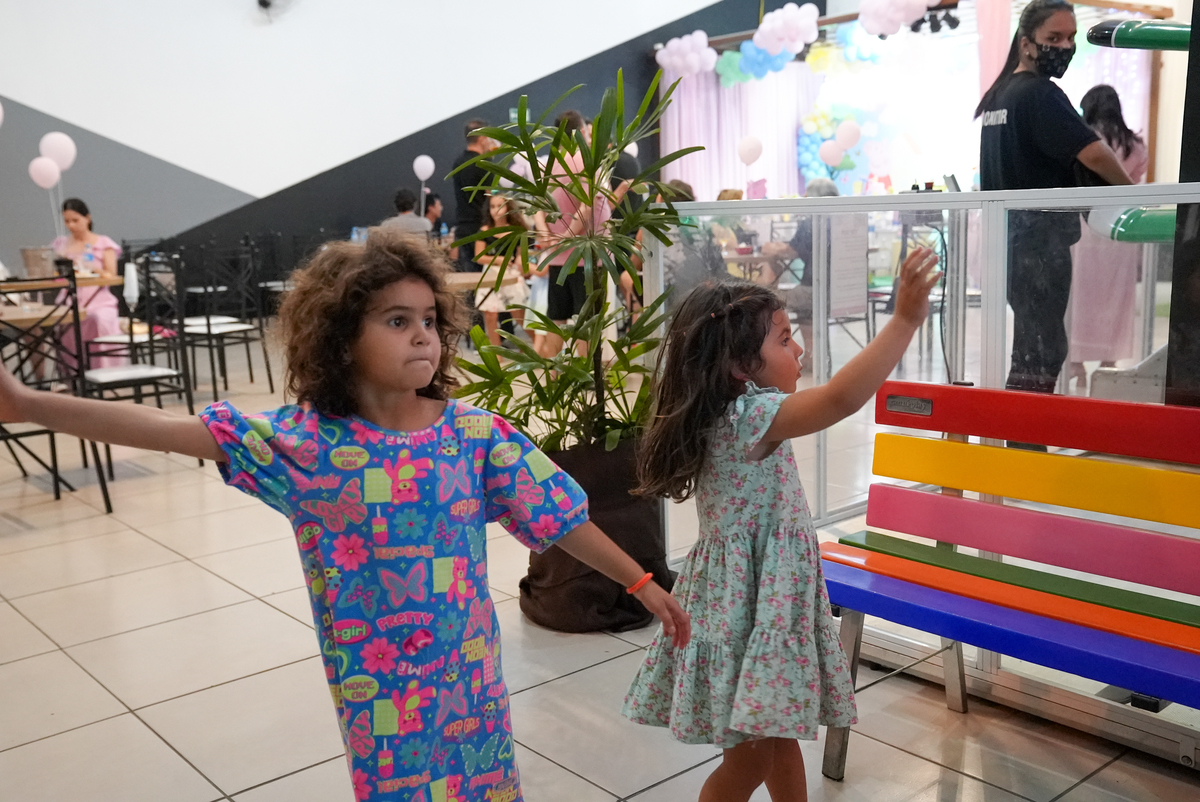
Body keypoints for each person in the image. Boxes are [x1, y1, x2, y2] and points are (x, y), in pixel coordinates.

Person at [0, 229, 689, 802]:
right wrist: (27, 404)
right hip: (378, 693)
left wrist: (639, 582)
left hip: (470, 678)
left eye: (430, 321)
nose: (422, 337)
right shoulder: (308, 446)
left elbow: (560, 518)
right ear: (339, 338)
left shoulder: (474, 435)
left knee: (486, 787)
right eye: (397, 320)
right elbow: (163, 429)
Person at [622, 246, 942, 802]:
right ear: (740, 368)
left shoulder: (730, 414)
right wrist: (904, 321)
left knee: (777, 737)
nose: (800, 349)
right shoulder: (748, 418)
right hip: (750, 606)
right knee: (749, 762)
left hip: (750, 600)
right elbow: (840, 399)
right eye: (785, 339)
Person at [975, 0, 1132, 394]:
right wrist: (1131, 193)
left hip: (1009, 244)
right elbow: (1094, 153)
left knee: (1032, 347)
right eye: (1054, 37)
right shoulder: (1040, 94)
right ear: (1026, 43)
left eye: (1071, 37)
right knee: (1043, 350)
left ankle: (1019, 425)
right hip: (1038, 244)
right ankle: (1021, 427)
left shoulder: (999, 96)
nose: (1065, 46)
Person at [1066, 85, 1150, 390]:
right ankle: (1108, 364)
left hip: (1087, 228)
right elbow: (1134, 185)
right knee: (1115, 299)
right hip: (1121, 230)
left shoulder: (1085, 140)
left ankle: (1076, 365)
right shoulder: (1136, 146)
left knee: (1079, 297)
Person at [757, 178, 840, 373]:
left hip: (814, 290)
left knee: (769, 300)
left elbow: (790, 251)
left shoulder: (812, 221)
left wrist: (771, 248)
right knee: (805, 304)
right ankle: (811, 354)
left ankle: (801, 354)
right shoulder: (844, 220)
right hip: (844, 292)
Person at [52, 198, 125, 369]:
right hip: (69, 299)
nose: (71, 225)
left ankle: (104, 370)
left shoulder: (103, 243)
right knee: (63, 319)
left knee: (97, 319)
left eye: (75, 220)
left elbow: (112, 275)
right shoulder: (61, 244)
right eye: (67, 221)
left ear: (87, 218)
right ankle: (71, 372)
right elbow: (54, 274)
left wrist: (93, 268)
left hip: (99, 300)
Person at [474, 193, 531, 346]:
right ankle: (496, 352)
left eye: (500, 206)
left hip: (510, 275)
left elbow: (521, 255)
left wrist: (521, 265)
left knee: (518, 314)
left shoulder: (517, 231)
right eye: (492, 206)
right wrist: (498, 260)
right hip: (490, 275)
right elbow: (479, 256)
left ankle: (538, 344)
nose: (496, 210)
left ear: (508, 208)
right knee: (490, 315)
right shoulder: (484, 231)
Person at [452, 119, 495, 272]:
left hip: (463, 228)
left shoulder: (458, 163)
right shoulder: (484, 163)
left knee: (468, 278)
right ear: (482, 138)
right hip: (481, 228)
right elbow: (491, 195)